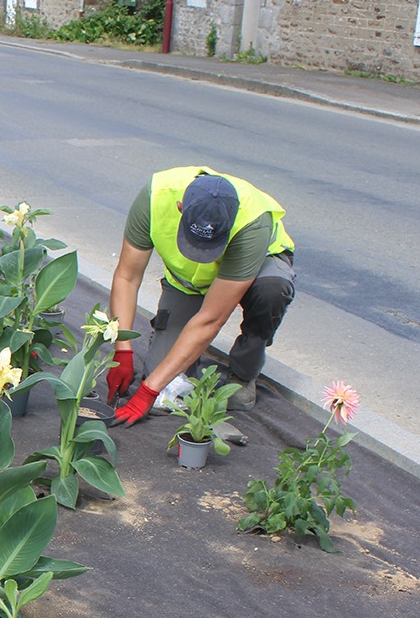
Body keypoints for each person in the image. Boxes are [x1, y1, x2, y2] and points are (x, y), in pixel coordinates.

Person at [105, 167, 296, 425]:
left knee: (271, 290)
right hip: (187, 284)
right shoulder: (156, 196)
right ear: (181, 207)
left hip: (252, 271)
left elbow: (211, 319)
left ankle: (244, 370)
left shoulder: (251, 222)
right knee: (167, 390)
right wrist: (122, 350)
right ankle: (171, 332)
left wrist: (146, 392)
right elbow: (127, 278)